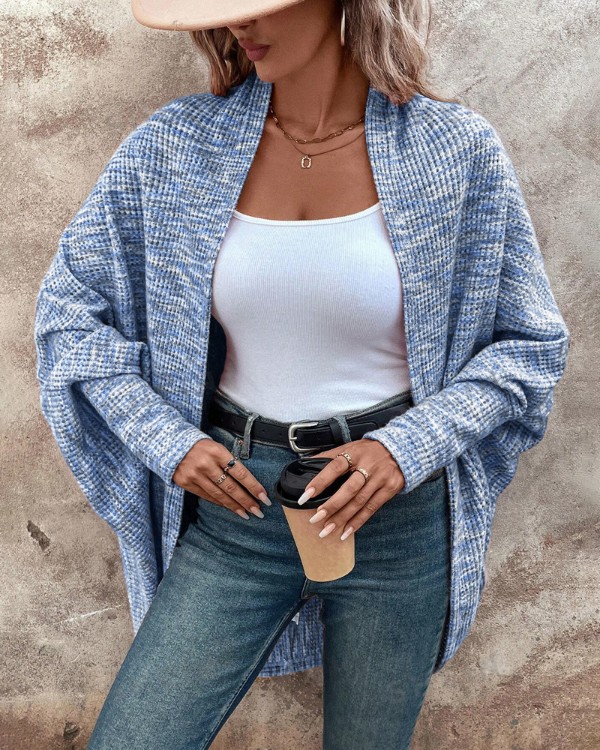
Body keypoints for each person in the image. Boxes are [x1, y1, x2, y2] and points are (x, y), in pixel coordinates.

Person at [33, 0, 571, 748]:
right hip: (238, 509)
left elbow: (530, 345)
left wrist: (406, 449)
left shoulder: (454, 151)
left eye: (264, 4)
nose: (239, 25)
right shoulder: (175, 146)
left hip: (393, 518)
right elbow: (68, 314)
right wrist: (166, 440)